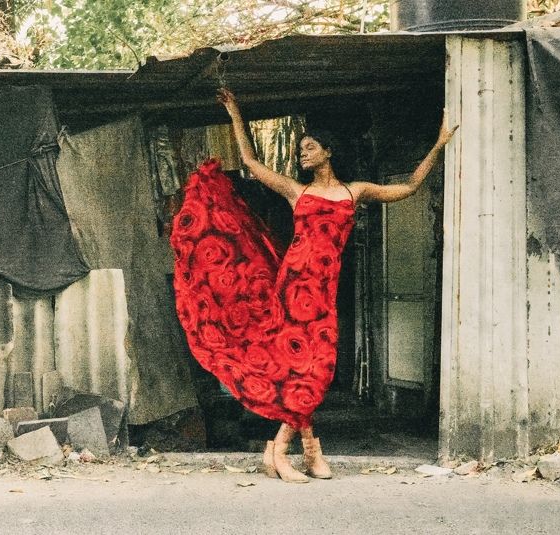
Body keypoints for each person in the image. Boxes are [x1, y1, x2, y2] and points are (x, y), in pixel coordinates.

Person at [170, 88, 457, 483]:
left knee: (313, 369)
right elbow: (251, 162)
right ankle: (294, 452)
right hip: (290, 290)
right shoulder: (297, 191)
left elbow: (408, 187)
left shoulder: (353, 192)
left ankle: (291, 451)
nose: (302, 153)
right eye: (302, 148)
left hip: (323, 292)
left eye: (309, 147)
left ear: (328, 151)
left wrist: (439, 144)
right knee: (304, 368)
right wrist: (237, 113)